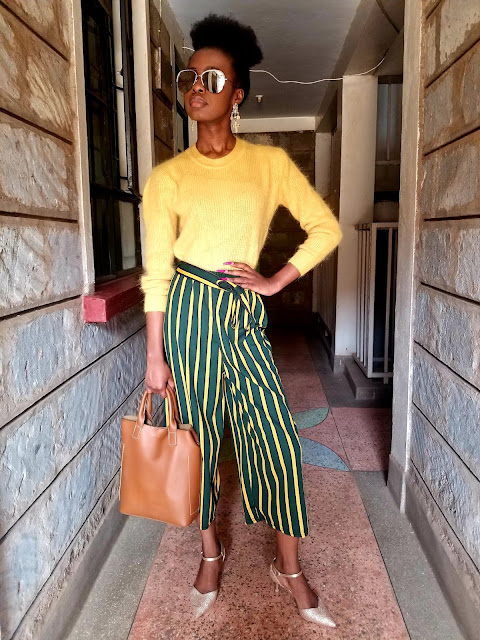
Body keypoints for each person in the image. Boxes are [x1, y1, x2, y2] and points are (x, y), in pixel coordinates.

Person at [140, 12, 342, 629]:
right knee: (198, 439)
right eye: (189, 77)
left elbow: (326, 228)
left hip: (244, 314)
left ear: (238, 95)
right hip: (188, 314)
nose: (196, 87)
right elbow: (156, 273)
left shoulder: (269, 164)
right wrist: (155, 358)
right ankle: (210, 552)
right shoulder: (166, 178)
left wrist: (277, 279)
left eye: (212, 78)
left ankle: (290, 568)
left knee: (276, 438)